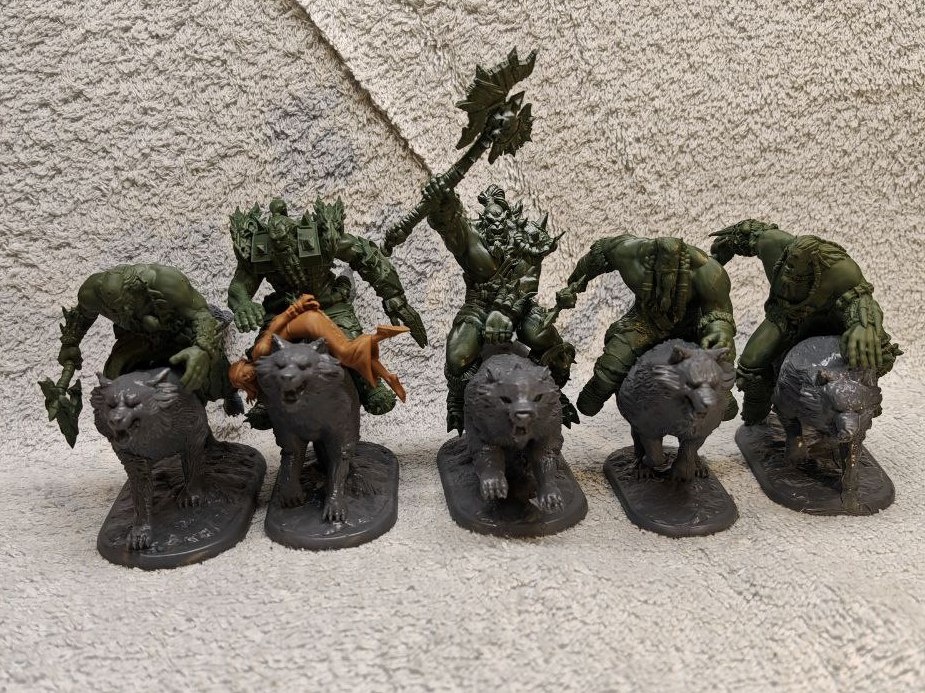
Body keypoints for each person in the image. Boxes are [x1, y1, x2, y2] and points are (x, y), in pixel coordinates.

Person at [421, 176, 577, 433]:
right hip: (478, 305)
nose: (495, 226)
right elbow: (451, 226)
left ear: (508, 217)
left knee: (549, 342)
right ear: (482, 220)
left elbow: (527, 281)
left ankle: (550, 390)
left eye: (500, 220)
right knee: (457, 357)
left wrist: (504, 312)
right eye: (490, 220)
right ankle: (459, 398)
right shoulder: (470, 235)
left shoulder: (525, 237)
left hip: (520, 306)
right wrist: (443, 202)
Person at [710, 219, 900, 424]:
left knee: (874, 352)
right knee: (750, 366)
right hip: (783, 317)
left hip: (829, 322)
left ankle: (854, 405)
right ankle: (756, 416)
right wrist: (721, 253)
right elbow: (749, 234)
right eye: (787, 267)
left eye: (798, 274)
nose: (789, 277)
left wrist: (862, 326)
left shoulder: (842, 272)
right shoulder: (771, 243)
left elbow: (862, 300)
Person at [556, 235, 738, 418]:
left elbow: (719, 313)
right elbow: (598, 256)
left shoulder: (708, 272)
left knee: (722, 388)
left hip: (692, 326)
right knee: (605, 377)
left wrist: (720, 332)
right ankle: (595, 393)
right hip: (643, 321)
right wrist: (574, 286)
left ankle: (720, 394)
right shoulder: (626, 252)